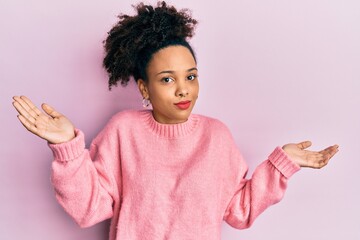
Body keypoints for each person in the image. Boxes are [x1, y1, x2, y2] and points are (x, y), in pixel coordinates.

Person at [12, 1, 339, 240]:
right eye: (167, 79)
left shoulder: (216, 136)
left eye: (191, 76)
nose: (184, 89)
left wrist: (280, 165)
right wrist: (66, 147)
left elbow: (238, 212)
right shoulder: (122, 130)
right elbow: (90, 210)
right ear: (144, 87)